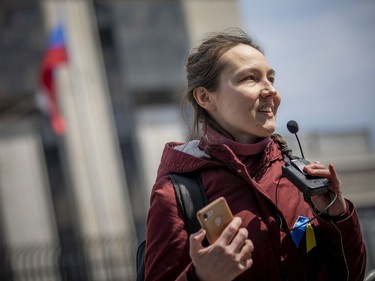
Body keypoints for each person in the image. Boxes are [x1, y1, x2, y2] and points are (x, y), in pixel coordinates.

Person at [144, 28, 366, 281]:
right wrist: (202, 277)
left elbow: (351, 275)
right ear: (205, 97)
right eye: (250, 78)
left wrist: (336, 216)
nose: (270, 90)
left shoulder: (299, 176)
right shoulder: (176, 191)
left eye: (271, 78)